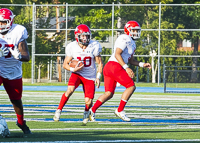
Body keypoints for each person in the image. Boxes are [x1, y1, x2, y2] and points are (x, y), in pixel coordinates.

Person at [89, 20, 151, 122]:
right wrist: (126, 68)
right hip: (114, 66)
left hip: (110, 67)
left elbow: (131, 60)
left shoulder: (132, 43)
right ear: (128, 30)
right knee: (131, 86)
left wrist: (142, 64)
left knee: (109, 93)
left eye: (137, 30)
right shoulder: (124, 38)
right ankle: (120, 110)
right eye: (134, 30)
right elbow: (117, 54)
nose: (136, 32)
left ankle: (92, 110)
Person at [53, 24, 103, 124]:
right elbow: (65, 64)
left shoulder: (94, 46)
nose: (85, 38)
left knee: (88, 101)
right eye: (83, 36)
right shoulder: (72, 47)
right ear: (77, 36)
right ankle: (58, 110)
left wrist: (98, 77)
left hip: (89, 76)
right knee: (69, 90)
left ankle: (86, 112)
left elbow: (100, 63)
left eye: (87, 35)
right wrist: (73, 69)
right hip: (77, 74)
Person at [0, 8, 31, 134]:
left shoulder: (19, 31)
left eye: (3, 22)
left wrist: (18, 56)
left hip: (13, 71)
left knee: (16, 100)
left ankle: (21, 122)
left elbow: (26, 56)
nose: (1, 25)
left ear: (10, 21)